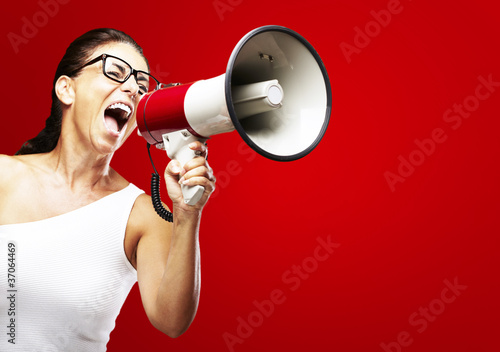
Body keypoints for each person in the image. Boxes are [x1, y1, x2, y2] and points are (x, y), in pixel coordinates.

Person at [0, 28, 215, 350]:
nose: (131, 88)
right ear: (66, 89)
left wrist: (187, 214)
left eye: (141, 86)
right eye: (115, 73)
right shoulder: (5, 176)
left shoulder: (143, 215)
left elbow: (171, 321)